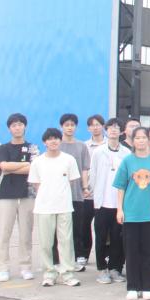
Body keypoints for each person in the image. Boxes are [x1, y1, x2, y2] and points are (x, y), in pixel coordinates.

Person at [114, 127, 150, 300]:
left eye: (144, 137)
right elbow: (121, 187)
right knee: (131, 252)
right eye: (138, 138)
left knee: (149, 252)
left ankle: (147, 286)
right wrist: (120, 209)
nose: (141, 141)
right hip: (131, 214)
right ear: (133, 141)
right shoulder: (127, 161)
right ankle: (133, 286)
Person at [28, 128, 81, 287]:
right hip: (44, 207)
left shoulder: (69, 159)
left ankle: (67, 273)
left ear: (60, 140)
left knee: (66, 241)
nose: (53, 141)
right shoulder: (38, 162)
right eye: (50, 139)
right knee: (46, 243)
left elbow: (71, 181)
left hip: (64, 206)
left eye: (56, 138)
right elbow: (36, 184)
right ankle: (49, 273)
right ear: (45, 142)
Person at [0, 113, 35, 282]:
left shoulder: (32, 147)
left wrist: (13, 168)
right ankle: (3, 267)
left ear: (24, 126)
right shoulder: (3, 148)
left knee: (26, 233)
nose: (17, 128)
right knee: (4, 232)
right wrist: (24, 164)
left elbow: (34, 168)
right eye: (14, 125)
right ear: (9, 128)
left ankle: (25, 267)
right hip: (7, 194)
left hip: (27, 194)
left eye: (20, 124)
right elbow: (3, 166)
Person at [92, 118, 129, 284]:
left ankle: (115, 268)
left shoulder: (126, 153)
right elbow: (93, 174)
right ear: (106, 130)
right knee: (101, 237)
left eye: (117, 127)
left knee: (117, 238)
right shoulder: (98, 152)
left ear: (122, 131)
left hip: (119, 204)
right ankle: (102, 269)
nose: (114, 130)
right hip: (102, 202)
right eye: (110, 127)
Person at [58, 113, 91, 272]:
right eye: (67, 125)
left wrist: (85, 187)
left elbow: (84, 169)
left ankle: (79, 256)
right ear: (61, 127)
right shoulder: (56, 144)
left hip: (77, 193)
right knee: (60, 228)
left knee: (77, 227)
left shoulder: (81, 146)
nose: (70, 127)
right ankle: (59, 259)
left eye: (72, 125)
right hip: (59, 194)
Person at [83, 113, 107, 263]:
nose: (95, 127)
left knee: (103, 227)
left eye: (98, 124)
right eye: (92, 125)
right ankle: (84, 255)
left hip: (104, 193)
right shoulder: (84, 146)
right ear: (88, 128)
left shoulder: (110, 145)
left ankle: (105, 255)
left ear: (103, 126)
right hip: (88, 193)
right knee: (84, 225)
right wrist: (84, 187)